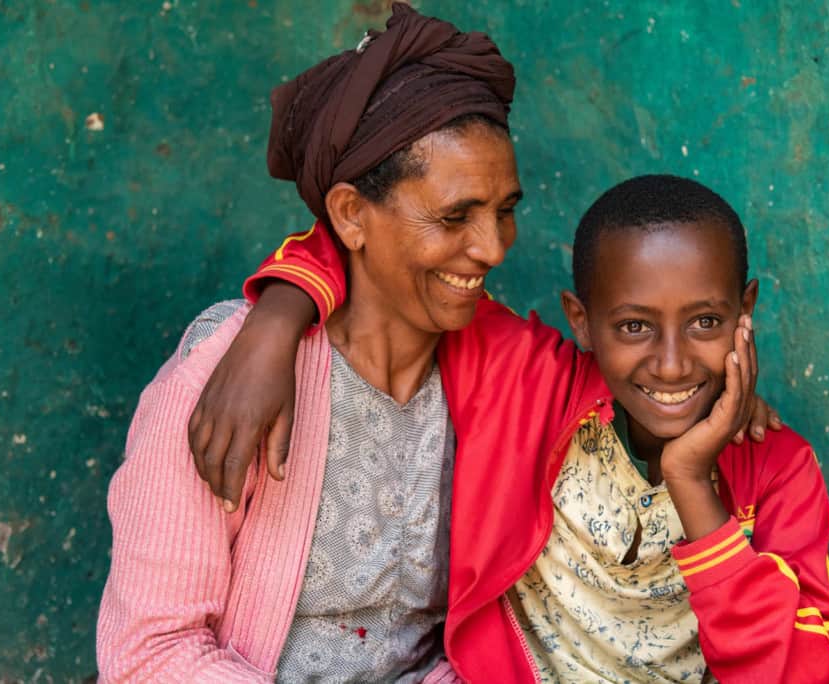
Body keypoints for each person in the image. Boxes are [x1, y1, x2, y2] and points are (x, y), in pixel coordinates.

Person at [189, 176, 829, 682]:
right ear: (582, 320)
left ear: (746, 311)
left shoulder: (778, 469)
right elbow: (384, 258)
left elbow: (803, 666)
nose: (674, 361)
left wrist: (691, 480)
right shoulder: (528, 384)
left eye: (706, 322)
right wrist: (277, 318)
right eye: (634, 326)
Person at [96, 5, 523, 681]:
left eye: (506, 211)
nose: (492, 248)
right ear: (352, 215)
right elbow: (151, 652)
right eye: (455, 216)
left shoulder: (495, 376)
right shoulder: (230, 370)